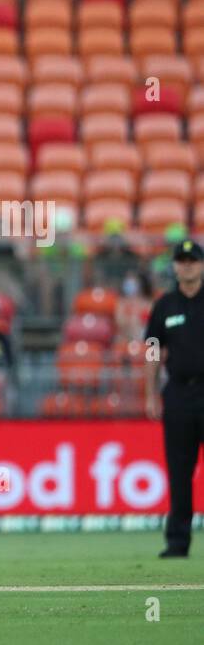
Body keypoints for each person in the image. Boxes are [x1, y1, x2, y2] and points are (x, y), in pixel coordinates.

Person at [143, 237, 204, 557]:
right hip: (179, 393)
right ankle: (178, 542)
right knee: (179, 470)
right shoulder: (165, 305)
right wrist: (151, 393)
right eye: (182, 260)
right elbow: (152, 350)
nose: (187, 265)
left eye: (193, 260)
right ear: (175, 266)